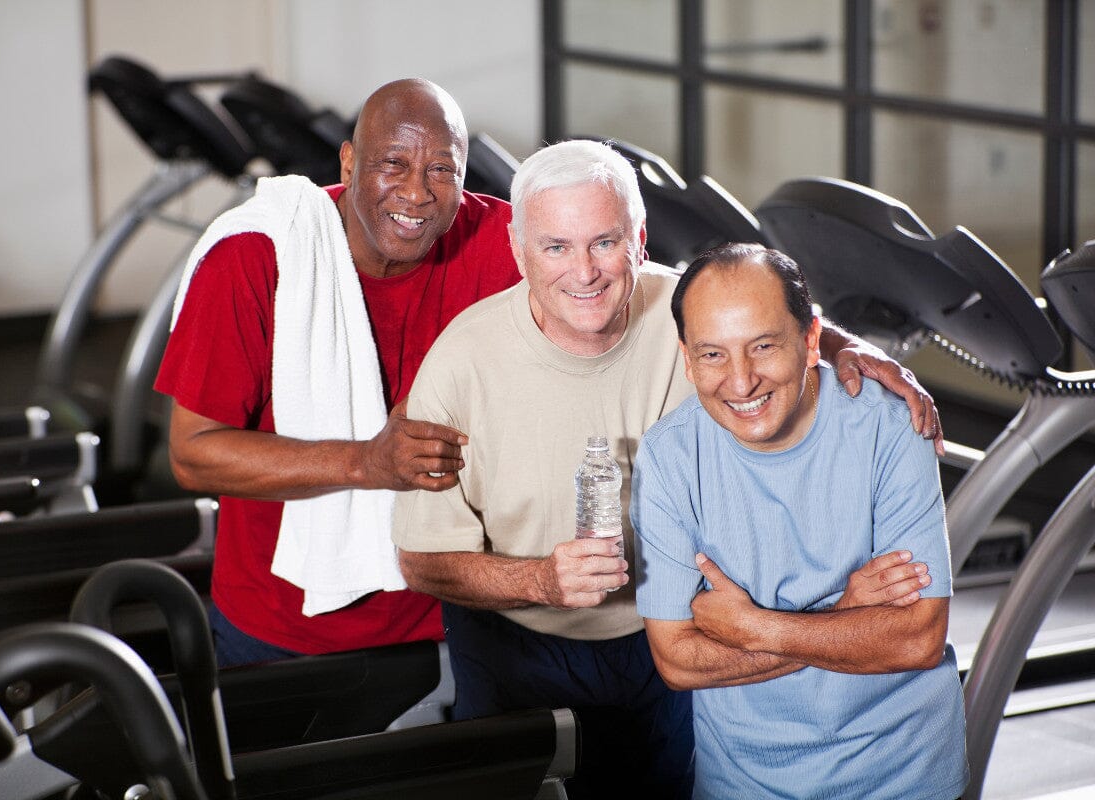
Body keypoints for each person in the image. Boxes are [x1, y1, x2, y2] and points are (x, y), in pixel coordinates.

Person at [392, 141, 944, 799]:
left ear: (640, 240)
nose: (585, 272)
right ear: (517, 251)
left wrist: (862, 353)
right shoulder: (460, 363)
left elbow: (775, 323)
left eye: (604, 242)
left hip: (677, 626)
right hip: (521, 643)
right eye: (556, 247)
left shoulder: (691, 315)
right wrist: (538, 578)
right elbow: (422, 560)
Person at [155, 77, 523, 665]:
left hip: (453, 618)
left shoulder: (505, 244)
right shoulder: (257, 255)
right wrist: (369, 462)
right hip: (282, 626)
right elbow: (192, 453)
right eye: (393, 164)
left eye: (441, 171)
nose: (417, 193)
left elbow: (622, 277)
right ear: (348, 164)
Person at [633, 242, 967, 799]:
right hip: (744, 784)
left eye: (763, 347)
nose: (741, 383)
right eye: (712, 355)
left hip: (904, 776)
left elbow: (916, 639)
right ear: (687, 359)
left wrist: (751, 626)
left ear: (812, 340)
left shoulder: (890, 424)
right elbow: (678, 661)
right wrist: (846, 613)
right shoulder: (668, 457)